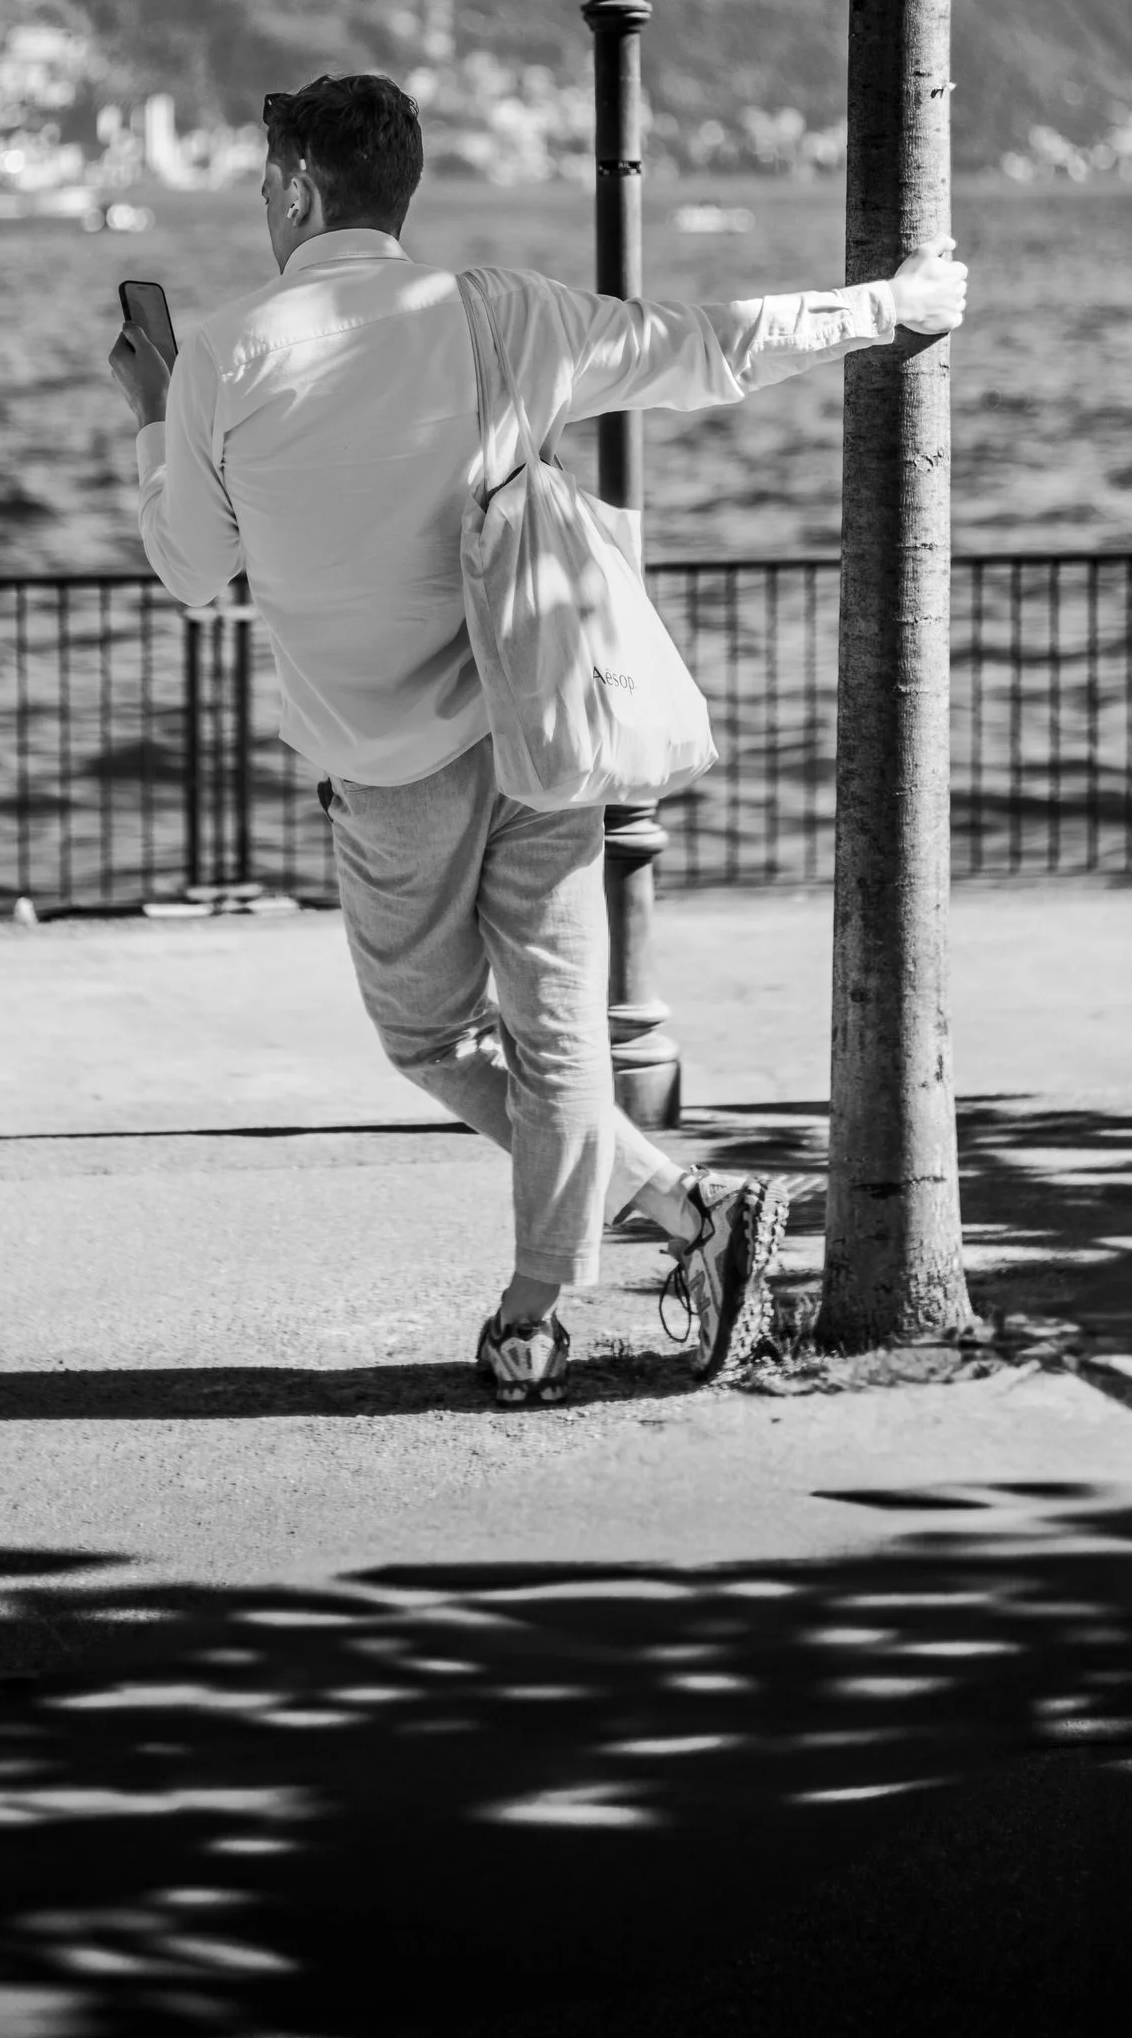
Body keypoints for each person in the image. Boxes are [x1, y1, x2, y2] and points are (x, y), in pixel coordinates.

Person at [110, 73, 969, 1407]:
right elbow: (713, 345)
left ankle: (557, 1299)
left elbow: (188, 565)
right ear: (399, 189)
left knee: (436, 1043)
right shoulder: (498, 316)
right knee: (560, 1035)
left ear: (293, 186)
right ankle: (671, 1232)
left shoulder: (226, 351)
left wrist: (152, 406)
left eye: (263, 178)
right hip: (539, 723)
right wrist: (897, 307)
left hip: (389, 773)